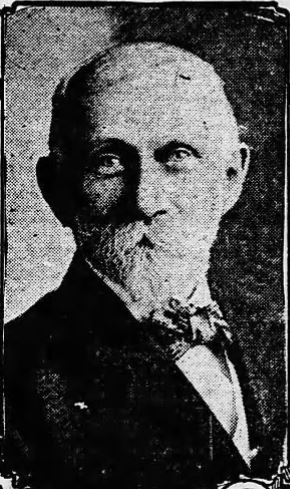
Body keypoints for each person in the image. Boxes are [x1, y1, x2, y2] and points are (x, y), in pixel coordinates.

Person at [4, 42, 272, 488]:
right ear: (56, 189)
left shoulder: (273, 334)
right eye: (108, 162)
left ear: (232, 178)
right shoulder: (14, 371)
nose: (145, 200)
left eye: (178, 156)